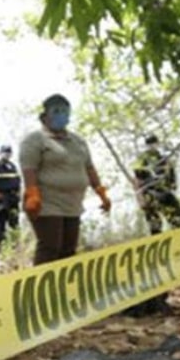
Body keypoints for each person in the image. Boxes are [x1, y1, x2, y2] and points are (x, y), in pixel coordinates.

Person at [19, 93, 111, 265]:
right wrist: (32, 195)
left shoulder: (78, 142)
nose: (61, 115)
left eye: (65, 112)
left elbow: (89, 168)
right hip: (47, 203)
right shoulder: (35, 140)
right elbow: (29, 169)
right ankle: (41, 282)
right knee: (50, 247)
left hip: (72, 204)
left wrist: (101, 193)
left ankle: (64, 283)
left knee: (68, 250)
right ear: (44, 116)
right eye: (56, 111)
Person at [133, 134, 180, 235]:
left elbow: (171, 174)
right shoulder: (141, 159)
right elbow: (137, 177)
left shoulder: (164, 158)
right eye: (149, 144)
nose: (152, 146)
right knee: (154, 222)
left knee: (176, 215)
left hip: (164, 191)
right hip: (149, 191)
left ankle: (179, 234)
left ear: (157, 144)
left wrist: (173, 184)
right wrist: (140, 198)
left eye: (154, 143)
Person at [0, 143, 21, 246]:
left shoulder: (12, 166)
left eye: (9, 152)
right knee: (1, 221)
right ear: (0, 153)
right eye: (5, 152)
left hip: (13, 198)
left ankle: (15, 245)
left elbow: (17, 181)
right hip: (2, 197)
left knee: (14, 222)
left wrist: (18, 193)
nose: (7, 154)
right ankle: (0, 246)